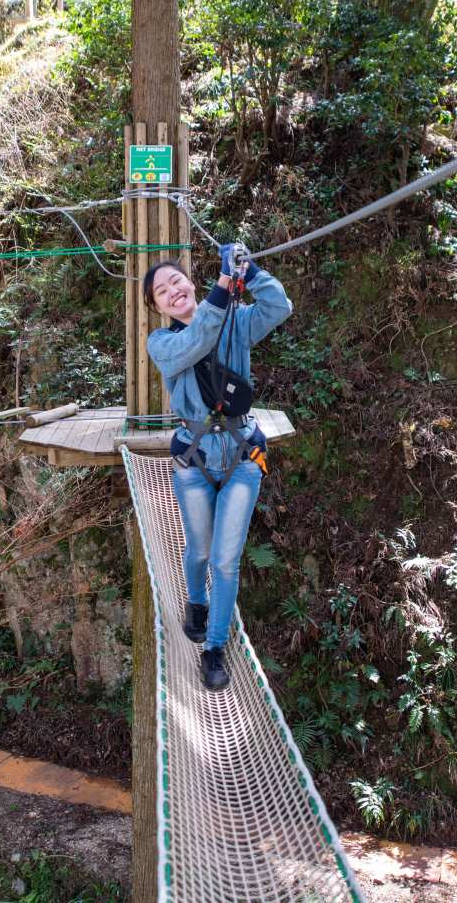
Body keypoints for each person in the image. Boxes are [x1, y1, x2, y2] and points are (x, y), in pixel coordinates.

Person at [144, 243, 292, 691]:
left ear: (191, 283)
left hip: (242, 454)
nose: (173, 290)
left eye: (176, 281)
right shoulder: (162, 344)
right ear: (157, 308)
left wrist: (252, 272)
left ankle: (214, 647)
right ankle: (196, 600)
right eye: (161, 291)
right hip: (195, 459)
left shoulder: (236, 321)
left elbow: (278, 307)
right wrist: (225, 286)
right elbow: (198, 340)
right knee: (200, 550)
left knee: (226, 560)